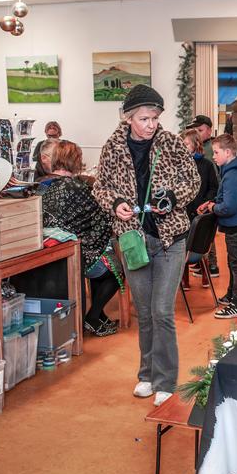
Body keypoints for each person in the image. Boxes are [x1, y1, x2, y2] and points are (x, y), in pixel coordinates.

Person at [92, 84, 199, 407]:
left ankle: (166, 380)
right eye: (143, 118)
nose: (151, 124)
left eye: (154, 117)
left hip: (170, 239)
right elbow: (101, 186)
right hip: (133, 239)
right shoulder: (112, 147)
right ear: (128, 118)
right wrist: (116, 203)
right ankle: (147, 375)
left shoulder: (170, 144)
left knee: (162, 310)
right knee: (145, 313)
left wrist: (172, 197)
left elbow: (192, 181)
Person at [42, 140, 120, 337]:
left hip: (48, 251)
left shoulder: (42, 185)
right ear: (76, 161)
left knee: (99, 257)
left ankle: (98, 315)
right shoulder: (78, 188)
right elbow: (102, 216)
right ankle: (93, 317)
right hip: (75, 252)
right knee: (116, 271)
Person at [197, 134, 237, 318]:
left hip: (236, 224)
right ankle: (231, 294)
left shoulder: (233, 176)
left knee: (235, 263)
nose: (213, 156)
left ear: (228, 152)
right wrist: (212, 202)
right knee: (232, 261)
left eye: (216, 152)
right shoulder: (231, 171)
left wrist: (213, 207)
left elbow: (228, 207)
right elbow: (226, 198)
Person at [180, 129, 219, 291]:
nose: (183, 147)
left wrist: (205, 203)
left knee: (201, 246)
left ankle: (205, 274)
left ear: (196, 144)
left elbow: (213, 187)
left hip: (201, 212)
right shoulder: (179, 164)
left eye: (186, 144)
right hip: (183, 212)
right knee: (183, 246)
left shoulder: (207, 165)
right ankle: (184, 279)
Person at [187, 115, 220, 277]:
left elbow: (214, 183)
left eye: (200, 130)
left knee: (204, 235)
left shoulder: (208, 153)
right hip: (193, 207)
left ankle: (211, 265)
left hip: (203, 205)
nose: (198, 133)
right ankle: (202, 264)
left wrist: (209, 201)